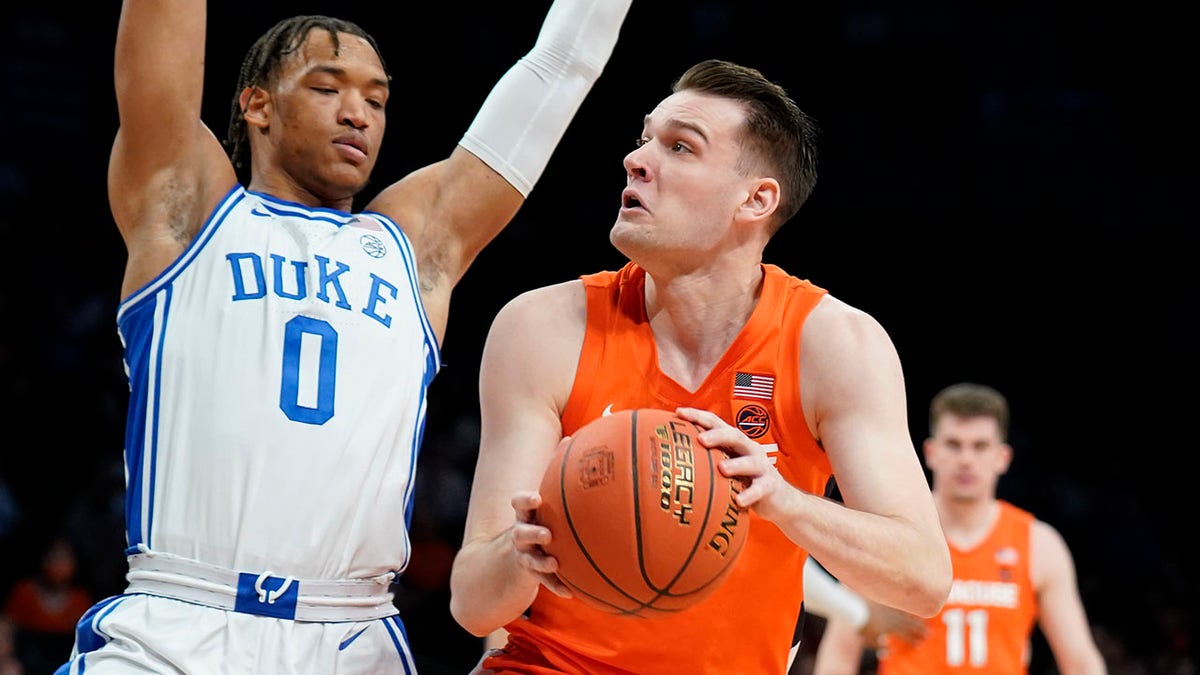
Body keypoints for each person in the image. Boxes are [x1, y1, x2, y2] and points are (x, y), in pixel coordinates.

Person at [60, 1, 632, 672]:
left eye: (377, 99)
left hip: (351, 637)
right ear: (257, 106)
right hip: (178, 620)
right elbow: (161, 29)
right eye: (327, 88)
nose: (358, 113)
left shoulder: (415, 245)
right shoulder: (189, 209)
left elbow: (559, 68)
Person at [448, 58, 952, 674]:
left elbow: (924, 578)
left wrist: (783, 502)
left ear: (756, 199)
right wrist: (520, 552)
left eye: (680, 147)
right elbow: (472, 604)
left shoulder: (836, 344)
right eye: (643, 140)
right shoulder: (543, 326)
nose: (636, 161)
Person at [811, 382, 1107, 675]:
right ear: (930, 452)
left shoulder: (1039, 544)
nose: (966, 459)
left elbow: (1081, 662)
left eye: (979, 447)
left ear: (1002, 458)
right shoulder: (891, 533)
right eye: (954, 444)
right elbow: (837, 656)